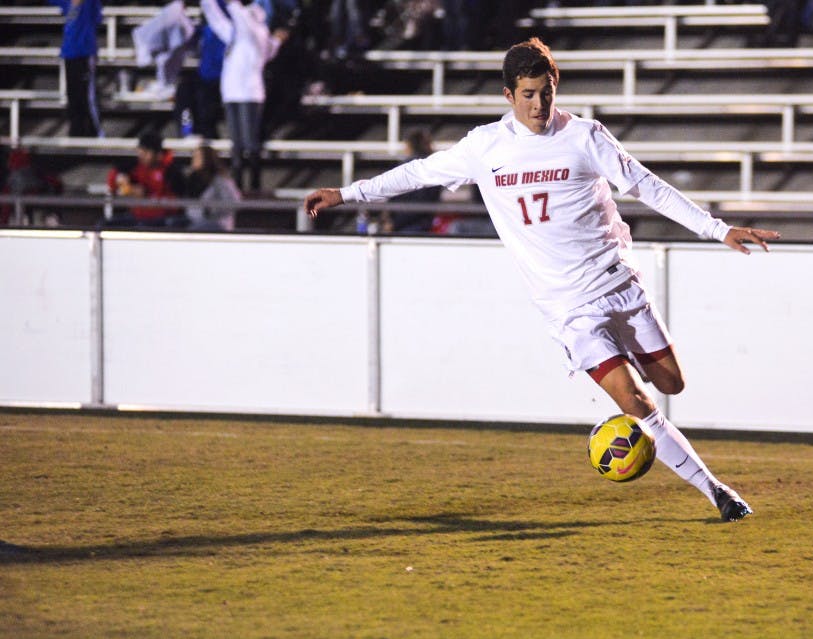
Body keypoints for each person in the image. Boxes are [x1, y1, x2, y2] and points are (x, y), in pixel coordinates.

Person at [305, 38, 780, 522]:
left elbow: (649, 186)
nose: (539, 105)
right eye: (528, 94)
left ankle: (636, 386)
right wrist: (346, 193)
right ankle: (717, 491)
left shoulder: (585, 137)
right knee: (636, 399)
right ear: (508, 95)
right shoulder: (485, 147)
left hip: (619, 286)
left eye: (546, 92)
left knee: (671, 384)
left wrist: (718, 230)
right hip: (568, 309)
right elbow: (418, 173)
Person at [199, 0, 289, 193]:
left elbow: (264, 48)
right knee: (236, 144)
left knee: (250, 142)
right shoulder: (235, 33)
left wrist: (234, 5)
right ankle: (238, 183)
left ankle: (255, 183)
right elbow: (216, 18)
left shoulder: (256, 29)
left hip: (249, 93)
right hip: (231, 92)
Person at [105, 130, 185, 227]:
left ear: (158, 154)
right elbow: (113, 178)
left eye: (146, 153)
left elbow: (176, 204)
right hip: (136, 217)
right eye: (140, 152)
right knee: (105, 224)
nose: (141, 157)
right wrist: (127, 188)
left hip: (161, 219)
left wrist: (148, 198)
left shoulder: (171, 170)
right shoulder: (135, 166)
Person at [47, 0, 104, 137]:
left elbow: (97, 18)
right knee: (73, 98)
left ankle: (95, 134)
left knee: (88, 98)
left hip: (85, 53)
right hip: (70, 53)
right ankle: (76, 133)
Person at [182, 144, 242, 230]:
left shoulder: (220, 179)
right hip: (194, 218)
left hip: (217, 222)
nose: (194, 160)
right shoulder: (193, 179)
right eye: (194, 156)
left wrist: (211, 210)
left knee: (190, 230)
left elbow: (235, 201)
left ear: (206, 159)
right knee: (169, 223)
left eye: (198, 157)